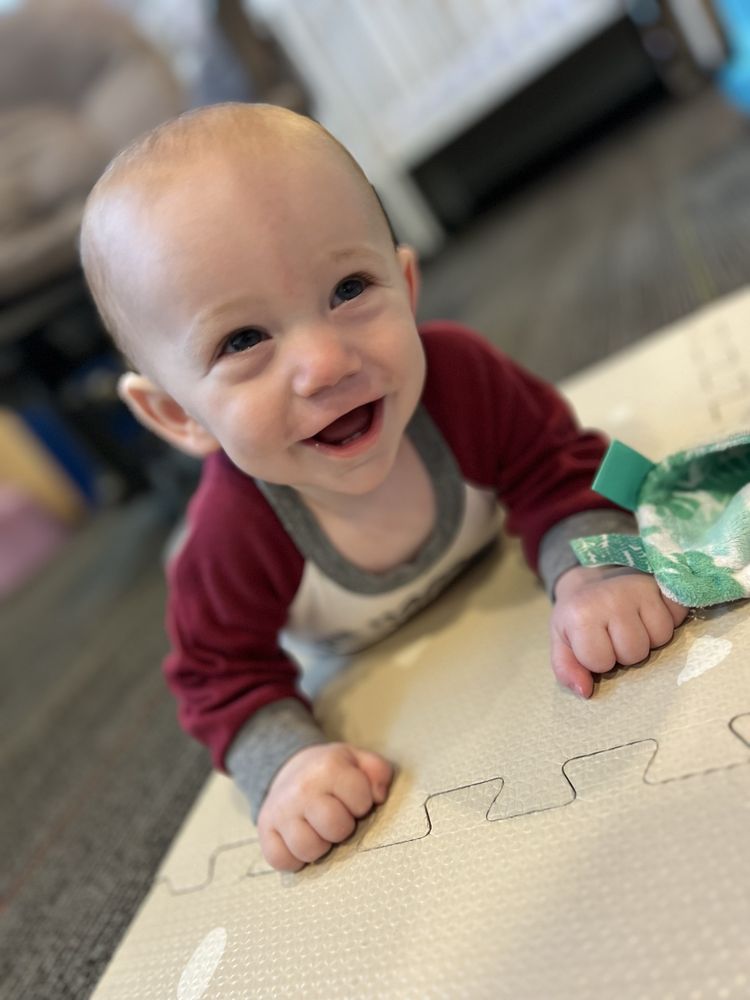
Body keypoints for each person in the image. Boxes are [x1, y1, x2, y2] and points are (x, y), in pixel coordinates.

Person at [79, 103, 688, 872]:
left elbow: (562, 464)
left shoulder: (462, 382)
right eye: (243, 340)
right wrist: (287, 768)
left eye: (348, 288)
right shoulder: (232, 542)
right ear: (175, 413)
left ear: (403, 282)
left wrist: (596, 569)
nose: (325, 362)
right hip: (319, 621)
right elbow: (219, 677)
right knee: (192, 570)